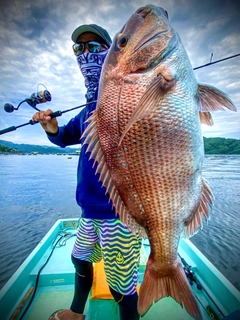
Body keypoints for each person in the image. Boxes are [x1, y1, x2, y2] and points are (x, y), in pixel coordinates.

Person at [32, 24, 142, 320]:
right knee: (79, 259)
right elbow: (64, 136)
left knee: (121, 286)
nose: (85, 54)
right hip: (89, 210)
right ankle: (76, 312)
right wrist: (51, 129)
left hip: (119, 213)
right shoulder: (87, 111)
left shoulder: (126, 103)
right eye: (79, 49)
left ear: (110, 55)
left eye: (95, 48)